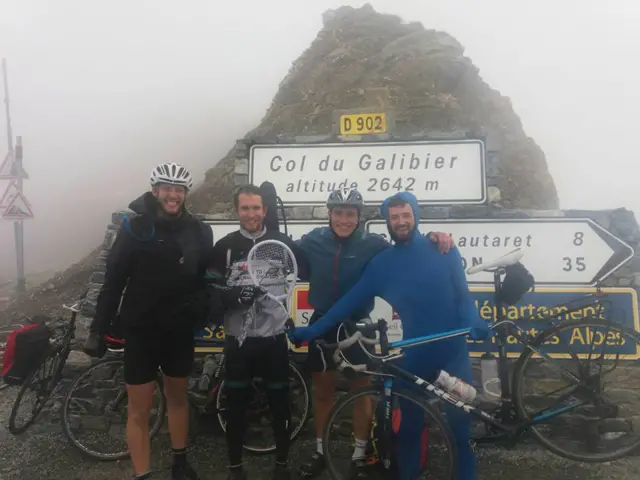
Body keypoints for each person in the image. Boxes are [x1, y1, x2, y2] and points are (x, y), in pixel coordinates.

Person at [288, 191, 489, 480]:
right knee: (407, 428)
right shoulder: (382, 264)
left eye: (406, 215)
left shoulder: (444, 250)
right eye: (394, 217)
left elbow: (463, 297)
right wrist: (311, 331)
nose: (401, 221)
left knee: (460, 427)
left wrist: (474, 320)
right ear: (387, 222)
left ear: (416, 216)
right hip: (415, 355)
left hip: (453, 352)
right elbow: (343, 306)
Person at [83, 162, 225, 480]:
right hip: (141, 330)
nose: (173, 195)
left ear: (186, 194)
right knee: (140, 409)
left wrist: (208, 302)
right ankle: (142, 473)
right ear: (155, 191)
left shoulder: (199, 230)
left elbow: (208, 275)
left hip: (178, 331)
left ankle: (179, 462)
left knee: (177, 398)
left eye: (179, 190)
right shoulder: (134, 229)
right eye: (167, 189)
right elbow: (114, 280)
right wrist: (97, 329)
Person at [207, 184, 309, 480]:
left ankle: (281, 466)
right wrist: (232, 296)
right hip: (239, 340)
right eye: (245, 208)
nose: (251, 214)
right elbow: (209, 285)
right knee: (235, 406)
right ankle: (235, 469)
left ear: (265, 209)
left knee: (280, 403)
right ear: (237, 210)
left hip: (274, 338)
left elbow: (311, 268)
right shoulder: (225, 246)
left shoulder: (282, 242)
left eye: (256, 208)